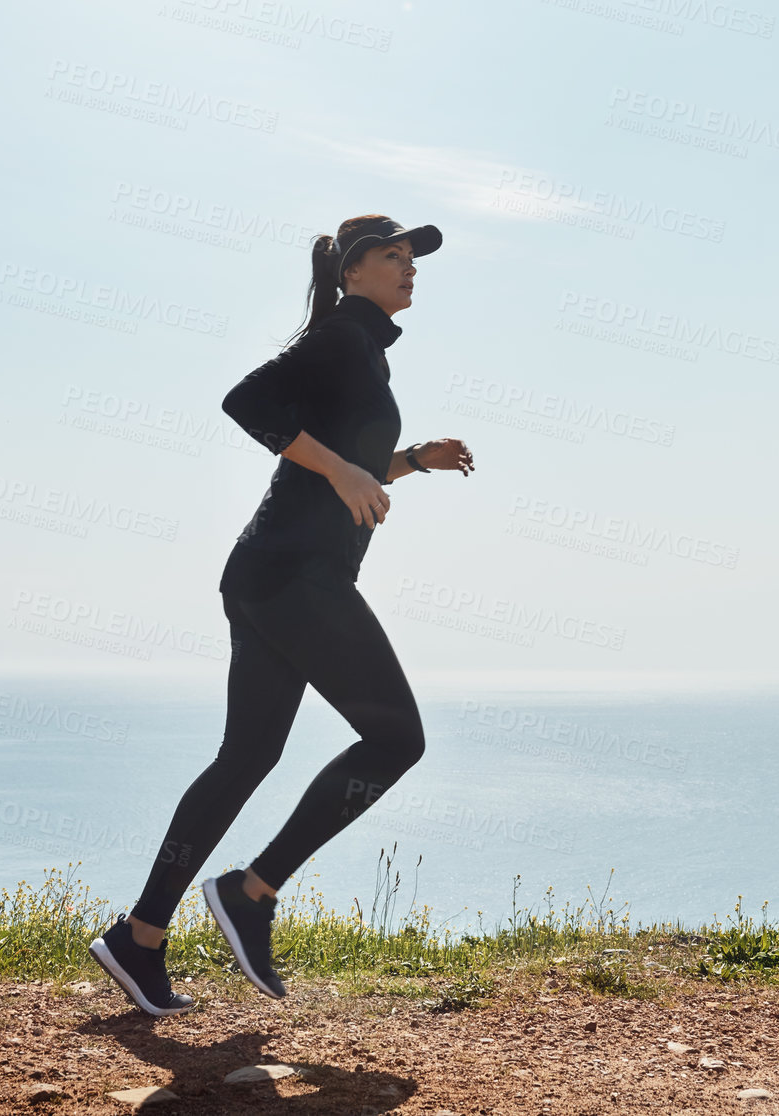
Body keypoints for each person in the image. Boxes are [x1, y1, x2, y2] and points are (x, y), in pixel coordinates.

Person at [88, 213, 475, 1016]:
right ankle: (251, 893)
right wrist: (342, 469)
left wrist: (409, 463)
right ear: (352, 272)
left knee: (247, 756)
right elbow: (246, 401)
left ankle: (140, 938)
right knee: (397, 738)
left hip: (269, 573)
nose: (410, 269)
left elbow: (340, 465)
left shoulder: (363, 351)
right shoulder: (340, 338)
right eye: (394, 257)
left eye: (414, 259)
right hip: (297, 577)